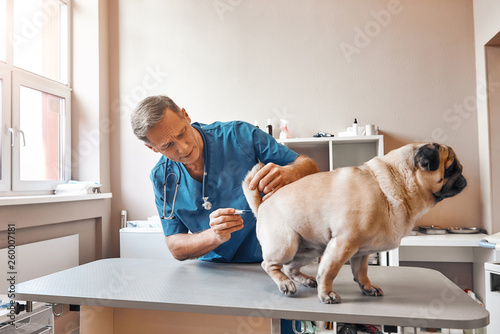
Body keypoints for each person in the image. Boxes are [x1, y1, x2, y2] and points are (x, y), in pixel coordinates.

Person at [131, 95, 319, 263]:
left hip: (272, 259)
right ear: (153, 148)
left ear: (185, 115)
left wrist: (291, 172)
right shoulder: (162, 177)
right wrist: (214, 236)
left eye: (182, 133)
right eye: (168, 145)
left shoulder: (240, 136)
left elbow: (309, 166)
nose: (183, 148)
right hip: (213, 271)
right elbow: (176, 246)